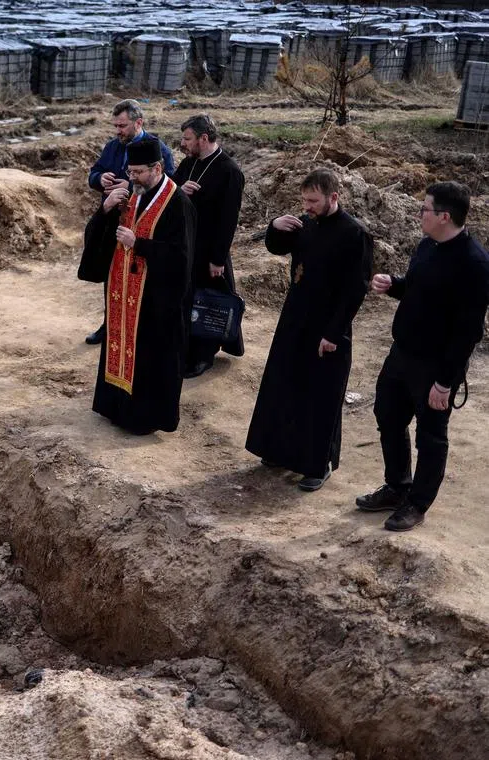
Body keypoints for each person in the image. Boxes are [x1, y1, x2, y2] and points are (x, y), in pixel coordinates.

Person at [357, 181, 489, 531]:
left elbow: (468, 333)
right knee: (387, 416)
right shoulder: (427, 245)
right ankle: (397, 487)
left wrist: (445, 383)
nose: (419, 214)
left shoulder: (474, 264)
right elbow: (419, 291)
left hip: (434, 366)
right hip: (402, 354)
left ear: (444, 216)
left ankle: (417, 503)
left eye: (425, 209)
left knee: (430, 436)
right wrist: (394, 285)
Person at [245, 169, 372, 491]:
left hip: (328, 326)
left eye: (313, 201)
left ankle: (319, 463)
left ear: (333, 197)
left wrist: (334, 333)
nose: (308, 206)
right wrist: (274, 227)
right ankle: (278, 450)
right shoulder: (306, 223)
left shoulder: (354, 233)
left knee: (321, 396)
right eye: (304, 200)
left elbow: (356, 289)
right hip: (295, 317)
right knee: (286, 384)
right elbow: (277, 247)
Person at [80, 137, 195, 434]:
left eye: (139, 173)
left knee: (148, 358)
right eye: (130, 172)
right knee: (118, 346)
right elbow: (101, 239)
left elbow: (182, 258)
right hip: (122, 291)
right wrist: (105, 209)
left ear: (157, 168)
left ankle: (142, 418)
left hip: (156, 301)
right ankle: (113, 406)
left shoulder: (177, 203)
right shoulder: (132, 194)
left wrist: (140, 244)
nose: (133, 178)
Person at [80, 99, 176, 346]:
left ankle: (138, 328)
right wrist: (101, 179)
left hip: (143, 224)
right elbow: (93, 173)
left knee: (139, 279)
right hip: (113, 220)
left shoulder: (159, 150)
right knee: (112, 274)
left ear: (138, 123)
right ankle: (109, 324)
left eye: (122, 126)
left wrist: (131, 185)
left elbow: (168, 184)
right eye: (116, 126)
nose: (118, 131)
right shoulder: (113, 146)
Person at [171, 114, 246, 378]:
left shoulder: (230, 171)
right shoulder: (190, 162)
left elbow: (228, 221)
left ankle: (204, 356)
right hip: (187, 246)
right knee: (188, 300)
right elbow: (170, 187)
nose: (183, 143)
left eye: (187, 138)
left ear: (204, 139)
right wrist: (180, 189)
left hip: (210, 252)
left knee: (208, 303)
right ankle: (188, 351)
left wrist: (217, 259)